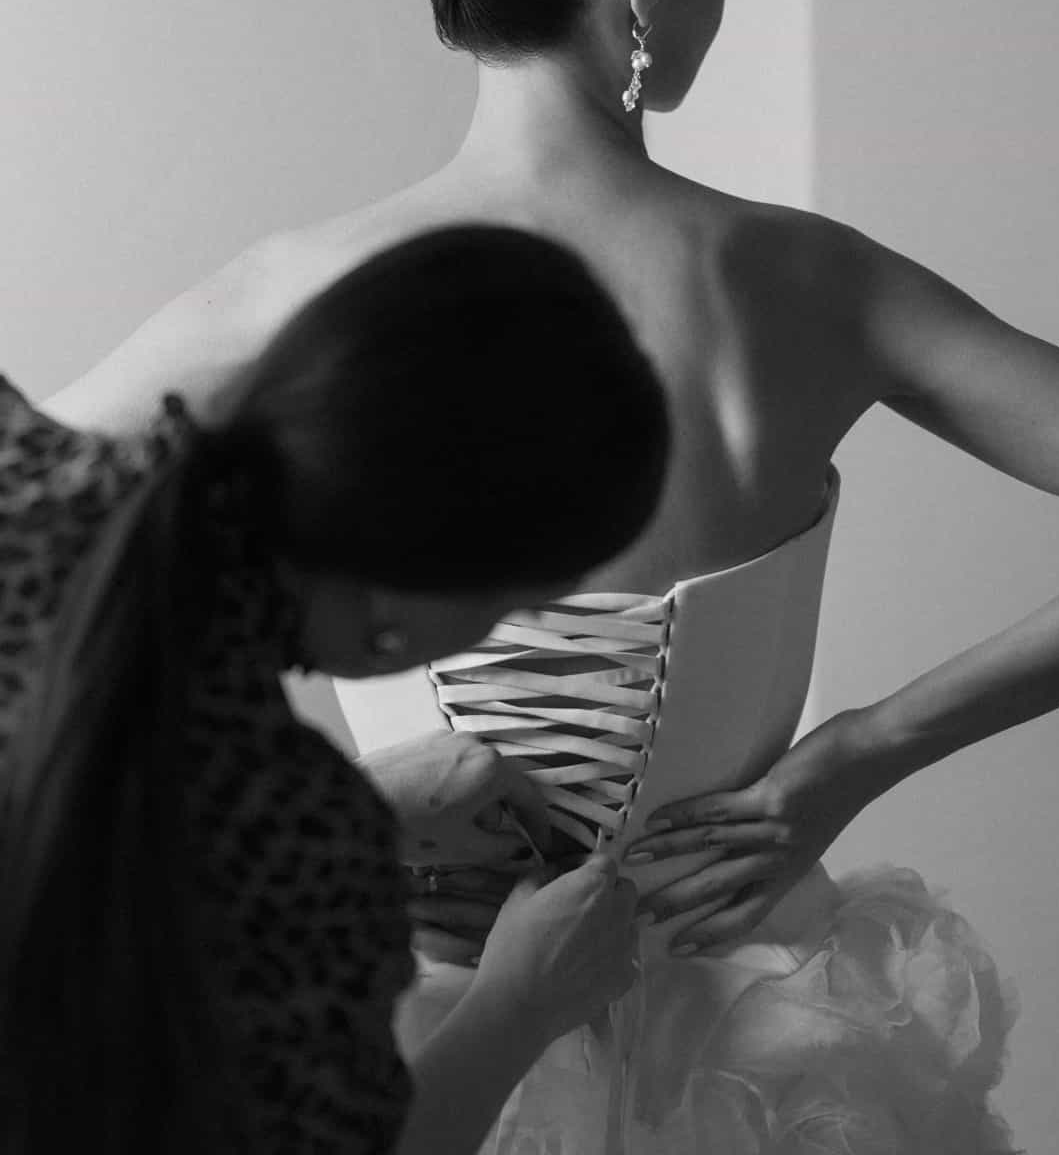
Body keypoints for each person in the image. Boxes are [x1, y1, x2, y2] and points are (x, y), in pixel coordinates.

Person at [45, 0, 1059, 1150]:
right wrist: (862, 747)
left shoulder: (291, 298)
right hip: (770, 1050)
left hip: (408, 1026)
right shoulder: (801, 285)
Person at [1, 224, 671, 1155]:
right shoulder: (299, 843)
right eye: (521, 602)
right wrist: (517, 1005)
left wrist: (365, 809)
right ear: (410, 596)